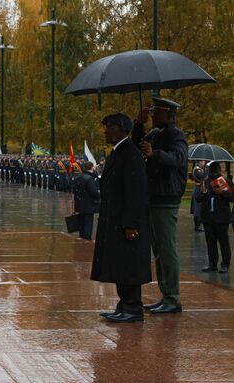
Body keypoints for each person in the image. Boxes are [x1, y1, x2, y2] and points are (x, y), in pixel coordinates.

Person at [91, 113, 151, 323]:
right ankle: (124, 304)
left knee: (129, 265)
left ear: (121, 129)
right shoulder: (119, 153)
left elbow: (135, 192)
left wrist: (130, 224)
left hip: (126, 221)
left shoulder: (131, 154)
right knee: (120, 264)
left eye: (109, 127)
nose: (106, 131)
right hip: (115, 219)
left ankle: (133, 307)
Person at [132, 97, 188, 314]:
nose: (153, 115)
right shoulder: (155, 134)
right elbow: (137, 145)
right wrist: (139, 124)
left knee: (167, 249)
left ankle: (173, 298)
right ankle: (166, 294)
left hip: (166, 198)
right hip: (154, 196)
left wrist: (154, 153)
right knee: (159, 250)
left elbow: (178, 159)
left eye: (157, 112)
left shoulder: (177, 135)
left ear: (169, 114)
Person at [195, 161, 234, 273]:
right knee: (210, 243)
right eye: (211, 170)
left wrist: (222, 192)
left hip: (221, 218)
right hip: (208, 218)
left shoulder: (225, 182)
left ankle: (225, 264)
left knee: (224, 242)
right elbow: (198, 198)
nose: (213, 172)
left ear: (219, 170)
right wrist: (202, 193)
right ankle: (212, 264)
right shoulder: (205, 182)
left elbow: (232, 197)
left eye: (215, 170)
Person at [72, 161, 100, 240]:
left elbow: (74, 190)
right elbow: (94, 192)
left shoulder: (78, 177)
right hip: (88, 205)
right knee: (88, 222)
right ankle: (87, 239)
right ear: (91, 168)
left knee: (81, 222)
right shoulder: (90, 179)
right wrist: (99, 196)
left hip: (80, 203)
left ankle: (81, 236)